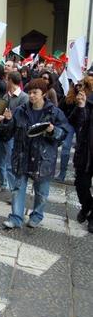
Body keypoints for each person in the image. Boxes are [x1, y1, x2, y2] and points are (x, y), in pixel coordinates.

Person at [0, 78, 69, 229]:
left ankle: (36, 215)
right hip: (22, 155)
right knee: (18, 188)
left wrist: (53, 130)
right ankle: (16, 218)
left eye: (35, 93)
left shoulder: (54, 112)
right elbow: (7, 134)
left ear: (43, 94)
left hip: (43, 159)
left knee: (41, 192)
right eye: (29, 92)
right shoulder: (20, 111)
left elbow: (64, 134)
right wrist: (6, 122)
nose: (31, 96)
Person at [0, 71, 28, 194]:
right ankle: (2, 184)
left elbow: (22, 118)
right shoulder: (6, 96)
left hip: (13, 135)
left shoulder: (24, 97)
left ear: (10, 81)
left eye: (6, 80)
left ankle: (13, 192)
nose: (5, 82)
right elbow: (3, 112)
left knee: (9, 165)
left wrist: (7, 118)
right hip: (2, 131)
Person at [69, 90, 93, 232]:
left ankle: (92, 217)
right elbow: (75, 121)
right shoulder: (88, 101)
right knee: (81, 185)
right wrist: (81, 106)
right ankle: (86, 206)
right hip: (85, 154)